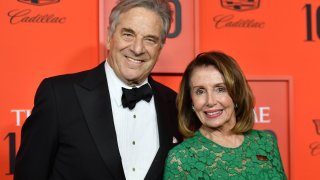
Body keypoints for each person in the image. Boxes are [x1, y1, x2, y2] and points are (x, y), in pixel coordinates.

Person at [14, 0, 182, 179]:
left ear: (161, 47)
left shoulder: (174, 104)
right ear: (110, 38)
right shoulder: (59, 96)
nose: (137, 48)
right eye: (128, 34)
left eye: (150, 39)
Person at [163, 51, 287, 179]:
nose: (210, 101)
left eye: (220, 89)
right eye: (200, 91)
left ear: (236, 94)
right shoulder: (181, 158)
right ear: (191, 101)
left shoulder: (266, 142)